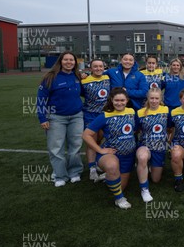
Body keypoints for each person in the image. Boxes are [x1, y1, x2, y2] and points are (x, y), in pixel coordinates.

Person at [82, 88, 136, 209]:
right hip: (111, 154)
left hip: (128, 156)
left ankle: (107, 176)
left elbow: (136, 129)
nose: (119, 103)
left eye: (122, 100)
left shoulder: (132, 112)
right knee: (112, 167)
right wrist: (100, 150)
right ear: (111, 100)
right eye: (116, 100)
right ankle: (119, 199)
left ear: (127, 100)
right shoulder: (105, 115)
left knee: (121, 185)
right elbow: (86, 135)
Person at [37, 51, 84, 187]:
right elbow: (41, 100)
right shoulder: (50, 77)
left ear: (75, 62)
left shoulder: (77, 76)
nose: (69, 62)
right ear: (60, 61)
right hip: (56, 118)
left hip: (76, 117)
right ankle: (60, 175)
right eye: (66, 60)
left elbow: (83, 93)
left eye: (72, 60)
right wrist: (42, 118)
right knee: (56, 148)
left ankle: (74, 172)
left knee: (75, 146)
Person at [135, 88, 169, 203]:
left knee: (156, 179)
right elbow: (136, 129)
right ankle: (144, 189)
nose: (154, 101)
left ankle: (149, 166)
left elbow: (170, 127)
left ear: (160, 99)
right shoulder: (140, 112)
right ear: (148, 99)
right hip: (145, 146)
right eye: (151, 98)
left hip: (159, 148)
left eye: (156, 98)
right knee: (143, 157)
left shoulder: (166, 110)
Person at [80, 58, 109, 182]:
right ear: (90, 68)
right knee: (92, 141)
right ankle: (92, 169)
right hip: (90, 115)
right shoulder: (84, 81)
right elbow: (80, 94)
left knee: (100, 139)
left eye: (100, 66)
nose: (98, 69)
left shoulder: (108, 78)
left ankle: (98, 163)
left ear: (104, 67)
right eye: (95, 66)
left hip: (105, 115)